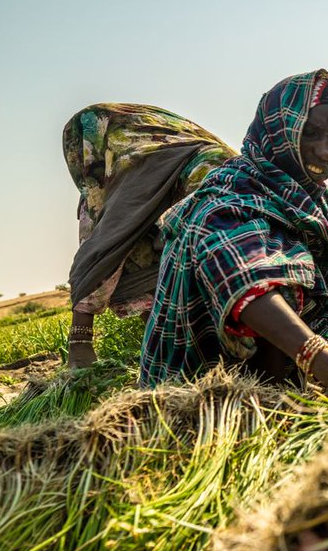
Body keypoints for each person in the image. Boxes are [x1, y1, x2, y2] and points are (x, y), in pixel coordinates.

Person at [139, 69, 328, 393]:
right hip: (202, 392)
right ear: (280, 129)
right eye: (311, 133)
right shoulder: (224, 200)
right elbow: (244, 275)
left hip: (291, 388)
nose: (324, 151)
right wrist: (324, 362)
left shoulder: (327, 218)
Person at [64, 104, 235, 368]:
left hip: (230, 268)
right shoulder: (200, 149)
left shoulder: (135, 178)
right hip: (252, 269)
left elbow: (97, 255)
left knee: (121, 239)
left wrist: (80, 342)